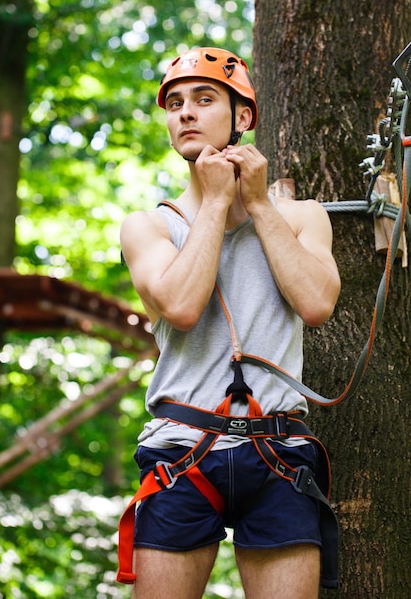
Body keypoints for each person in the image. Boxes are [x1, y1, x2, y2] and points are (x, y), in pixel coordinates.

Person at [117, 47, 341, 599]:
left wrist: (260, 206)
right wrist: (215, 204)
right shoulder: (148, 227)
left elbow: (317, 305)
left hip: (279, 453)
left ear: (243, 118)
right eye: (174, 104)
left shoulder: (300, 217)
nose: (184, 113)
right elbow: (182, 307)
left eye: (204, 99)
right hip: (181, 451)